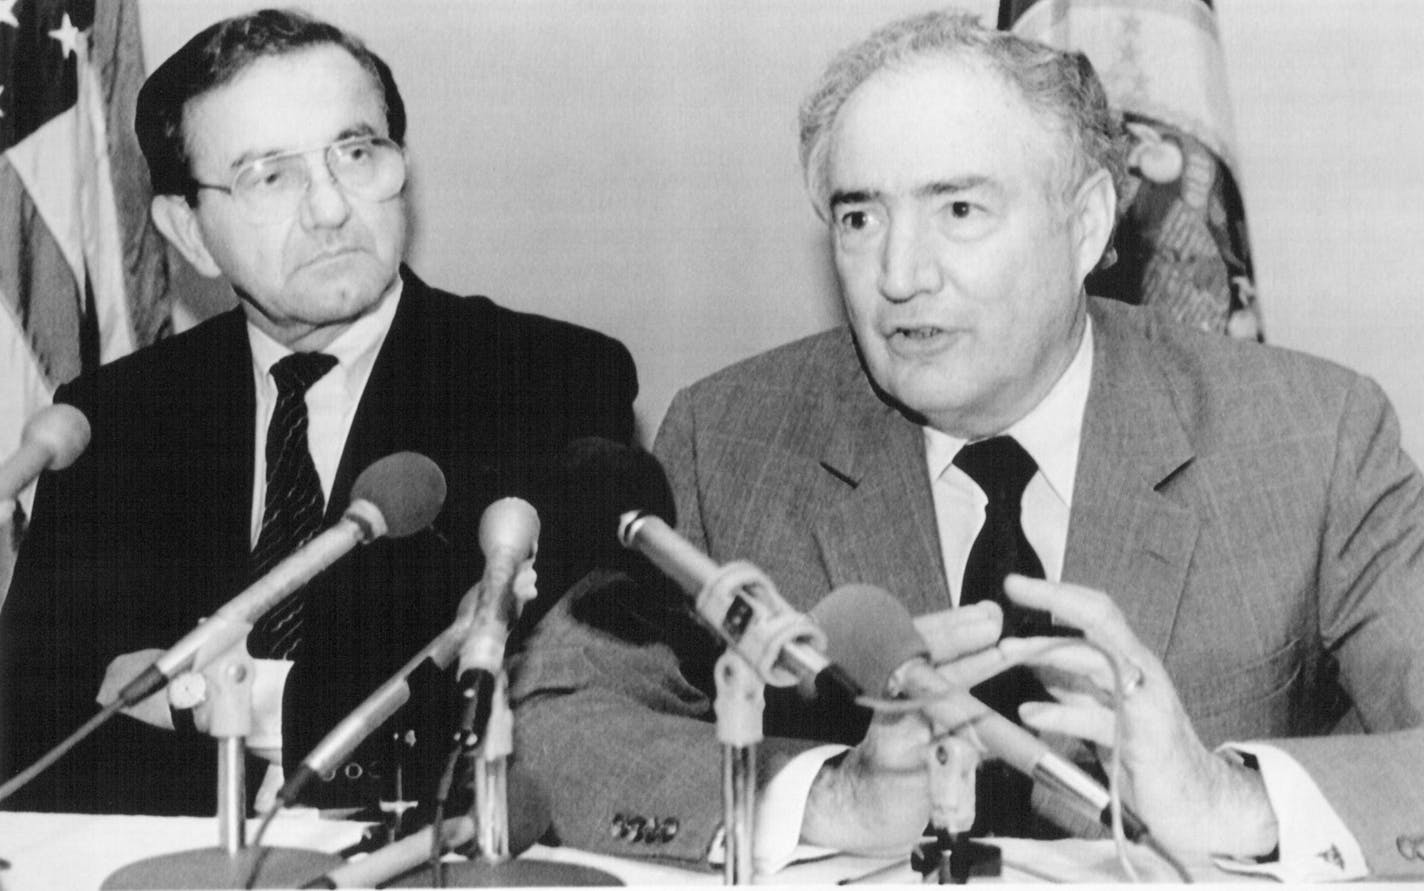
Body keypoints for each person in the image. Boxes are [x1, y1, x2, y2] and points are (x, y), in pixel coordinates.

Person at [512, 9, 1424, 880]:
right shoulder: (732, 437)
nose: (900, 277)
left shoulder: (1313, 436)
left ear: (1088, 225)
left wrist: (1229, 799)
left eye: (958, 210)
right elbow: (562, 718)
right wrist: (833, 797)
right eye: (859, 218)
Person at [0, 8, 637, 817]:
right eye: (271, 175)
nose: (332, 208)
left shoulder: (547, 379)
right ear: (188, 232)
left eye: (358, 152)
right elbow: (35, 733)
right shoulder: (115, 417)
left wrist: (204, 700)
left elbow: (516, 714)